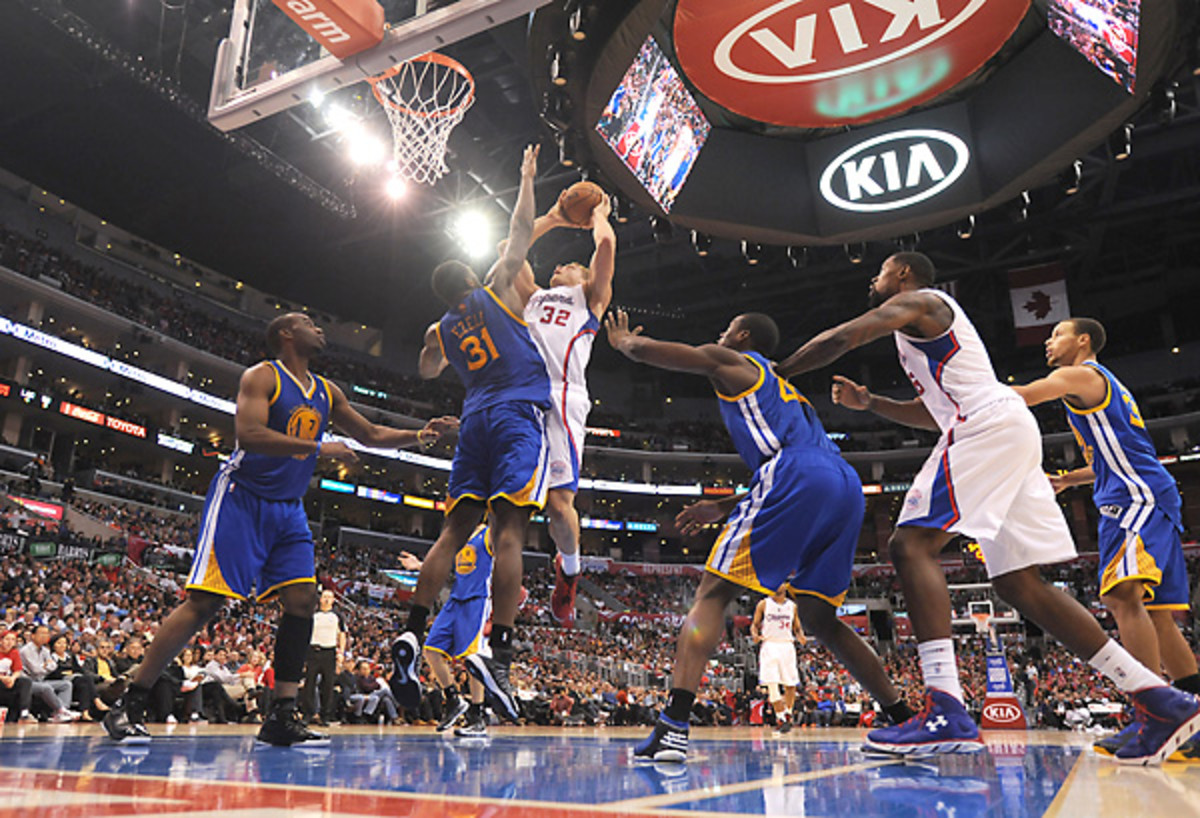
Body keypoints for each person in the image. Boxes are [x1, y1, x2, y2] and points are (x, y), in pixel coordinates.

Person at [774, 251, 1200, 763]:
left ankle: (945, 707)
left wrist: (778, 371)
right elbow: (935, 413)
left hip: (987, 425)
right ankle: (1159, 699)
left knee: (910, 545)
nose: (874, 278)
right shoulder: (924, 334)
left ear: (904, 274)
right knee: (1019, 584)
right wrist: (872, 404)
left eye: (881, 270)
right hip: (1002, 426)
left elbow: (844, 337)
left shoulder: (922, 301)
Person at [102, 311, 457, 746]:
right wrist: (319, 447)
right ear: (287, 334)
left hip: (288, 508)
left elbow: (369, 433)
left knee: (303, 601)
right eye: (309, 322)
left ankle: (282, 715)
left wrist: (422, 435)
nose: (320, 327)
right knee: (205, 603)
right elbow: (249, 434)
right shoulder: (262, 376)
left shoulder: (327, 390)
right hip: (242, 497)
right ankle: (131, 702)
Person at [604, 309, 913, 762]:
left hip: (794, 472)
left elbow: (666, 355)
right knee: (821, 617)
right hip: (844, 483)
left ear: (743, 335)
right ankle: (903, 719)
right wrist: (722, 506)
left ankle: (673, 725)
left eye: (727, 327)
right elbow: (801, 464)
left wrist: (624, 343)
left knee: (712, 594)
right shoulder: (788, 392)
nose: (720, 333)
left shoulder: (736, 362)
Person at [394, 144, 548, 724]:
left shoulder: (441, 326)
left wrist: (434, 338)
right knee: (509, 531)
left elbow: (427, 369)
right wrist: (526, 177)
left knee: (452, 532)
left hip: (474, 420)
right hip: (514, 415)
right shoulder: (497, 288)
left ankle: (412, 631)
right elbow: (521, 230)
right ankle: (499, 652)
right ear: (469, 276)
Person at [1011, 317, 1200, 760]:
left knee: (1121, 597)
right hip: (1145, 492)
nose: (1048, 342)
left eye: (1056, 334)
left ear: (1083, 341)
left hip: (1134, 497)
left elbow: (1023, 396)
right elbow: (1110, 459)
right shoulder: (1102, 385)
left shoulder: (1079, 375)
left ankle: (1153, 715)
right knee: (1158, 616)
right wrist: (1067, 480)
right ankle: (1191, 720)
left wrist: (965, 388)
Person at [518, 193, 616, 626]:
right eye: (558, 264)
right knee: (506, 500)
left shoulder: (589, 298)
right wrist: (554, 218)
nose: (559, 265)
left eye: (571, 264)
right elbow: (509, 250)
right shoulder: (533, 296)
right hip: (521, 396)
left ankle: (570, 571)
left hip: (564, 396)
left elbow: (606, 246)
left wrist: (599, 215)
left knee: (559, 506)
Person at [420, 524, 496, 738]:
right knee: (431, 650)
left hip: (477, 600)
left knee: (473, 659)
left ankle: (477, 717)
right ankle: (454, 700)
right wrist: (420, 565)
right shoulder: (459, 535)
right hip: (455, 599)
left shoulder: (489, 533)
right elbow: (445, 567)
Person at [750, 588, 807, 733]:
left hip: (787, 645)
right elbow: (755, 625)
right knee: (772, 684)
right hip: (769, 644)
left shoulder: (792, 606)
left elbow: (797, 628)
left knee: (791, 684)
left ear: (785, 586)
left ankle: (788, 713)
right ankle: (781, 718)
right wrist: (755, 635)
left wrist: (801, 636)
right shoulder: (764, 604)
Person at [301, 588, 344, 726]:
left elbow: (342, 635)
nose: (326, 599)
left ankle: (325, 715)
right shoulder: (313, 614)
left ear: (333, 600)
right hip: (313, 651)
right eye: (324, 596)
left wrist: (341, 652)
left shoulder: (337, 616)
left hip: (329, 652)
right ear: (320, 599)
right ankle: (308, 714)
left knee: (328, 686)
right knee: (309, 684)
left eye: (329, 597)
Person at [19, 625, 78, 722]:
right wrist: (45, 666)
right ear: (33, 636)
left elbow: (54, 666)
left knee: (66, 684)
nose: (44, 636)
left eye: (46, 633)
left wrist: (43, 666)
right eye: (41, 633)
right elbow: (35, 670)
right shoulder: (26, 650)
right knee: (45, 687)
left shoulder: (45, 650)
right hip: (27, 683)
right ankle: (61, 710)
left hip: (41, 680)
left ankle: (61, 713)